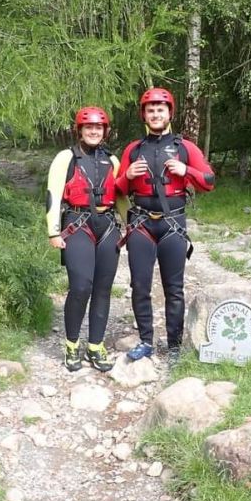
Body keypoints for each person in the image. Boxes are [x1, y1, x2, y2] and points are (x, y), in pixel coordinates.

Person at [116, 87, 215, 367]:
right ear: (144, 115)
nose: (156, 114)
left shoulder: (185, 147)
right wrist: (126, 176)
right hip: (141, 224)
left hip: (173, 223)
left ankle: (173, 345)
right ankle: (146, 341)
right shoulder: (133, 150)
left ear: (170, 113)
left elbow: (209, 180)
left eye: (161, 109)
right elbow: (116, 191)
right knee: (139, 286)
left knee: (173, 288)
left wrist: (188, 172)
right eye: (150, 110)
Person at [45, 106, 121, 372]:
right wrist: (53, 231)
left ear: (105, 131)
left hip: (108, 225)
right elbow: (53, 194)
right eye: (88, 127)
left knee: (103, 288)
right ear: (79, 131)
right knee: (80, 287)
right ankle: (72, 343)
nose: (93, 131)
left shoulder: (112, 160)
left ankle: (96, 346)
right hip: (77, 223)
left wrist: (134, 229)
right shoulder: (66, 158)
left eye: (98, 127)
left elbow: (121, 198)